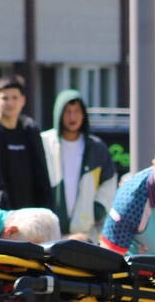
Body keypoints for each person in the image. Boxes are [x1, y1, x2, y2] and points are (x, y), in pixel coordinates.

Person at [41, 89, 116, 241]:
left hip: (84, 234)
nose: (72, 117)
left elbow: (109, 182)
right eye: (67, 111)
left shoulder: (96, 147)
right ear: (59, 114)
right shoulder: (45, 142)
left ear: (84, 115)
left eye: (77, 111)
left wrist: (96, 210)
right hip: (48, 231)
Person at [0, 75, 52, 210]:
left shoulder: (30, 132)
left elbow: (42, 177)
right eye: (5, 98)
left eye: (15, 98)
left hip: (28, 215)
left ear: (23, 100)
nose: (10, 103)